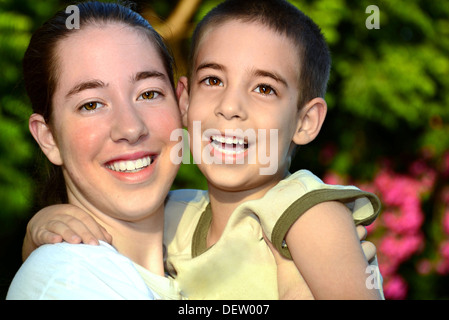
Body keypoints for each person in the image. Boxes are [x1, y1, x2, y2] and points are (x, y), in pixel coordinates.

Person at [22, 0, 384, 299]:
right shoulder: (182, 216)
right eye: (213, 80)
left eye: (264, 88)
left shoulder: (302, 213)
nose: (230, 107)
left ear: (306, 121)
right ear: (188, 99)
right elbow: (54, 276)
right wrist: (42, 228)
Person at [7, 1, 185, 299]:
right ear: (48, 137)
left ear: (182, 105)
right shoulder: (69, 278)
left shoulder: (206, 224)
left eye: (149, 93)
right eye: (91, 104)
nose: (130, 128)